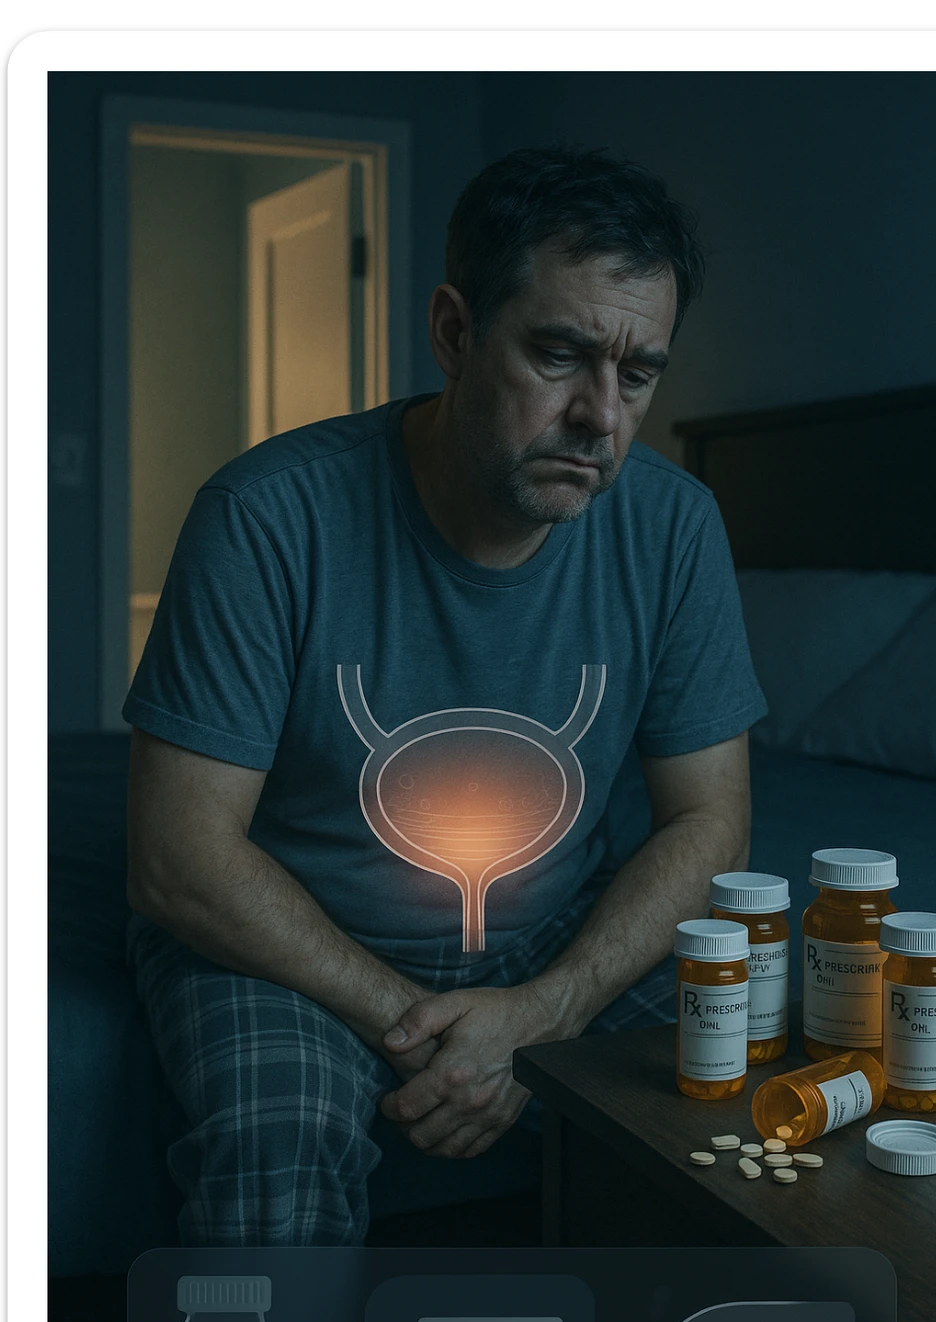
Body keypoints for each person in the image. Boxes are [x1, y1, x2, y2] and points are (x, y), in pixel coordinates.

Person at [124, 144, 767, 1246]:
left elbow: (710, 822)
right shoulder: (266, 515)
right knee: (277, 1142)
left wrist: (543, 1010)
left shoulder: (671, 524)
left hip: (555, 937)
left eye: (640, 373)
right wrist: (434, 1031)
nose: (601, 417)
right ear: (454, 332)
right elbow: (177, 858)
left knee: (761, 1065)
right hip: (298, 939)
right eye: (559, 355)